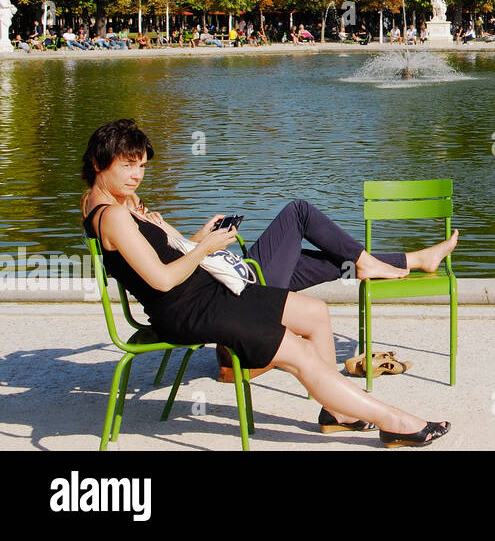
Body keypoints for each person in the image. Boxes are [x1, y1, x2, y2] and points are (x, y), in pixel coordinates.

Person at [78, 119, 452, 446]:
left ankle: (337, 413)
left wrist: (194, 238)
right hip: (189, 309)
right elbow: (161, 281)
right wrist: (205, 247)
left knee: (314, 313)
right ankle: (395, 423)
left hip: (204, 290)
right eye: (128, 166)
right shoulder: (112, 216)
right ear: (98, 163)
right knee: (299, 352)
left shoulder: (116, 202)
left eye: (141, 166)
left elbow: (164, 257)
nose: (136, 175)